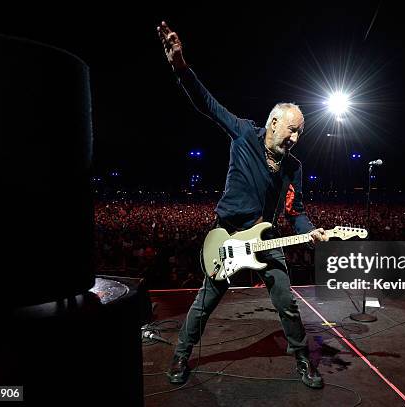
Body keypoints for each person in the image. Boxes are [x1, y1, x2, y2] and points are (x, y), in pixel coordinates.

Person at [157, 21, 328, 389]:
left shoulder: (293, 168)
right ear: (273, 123)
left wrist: (308, 231)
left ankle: (302, 360)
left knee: (287, 302)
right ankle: (181, 355)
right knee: (205, 303)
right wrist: (180, 66)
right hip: (228, 236)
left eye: (301, 132)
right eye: (292, 129)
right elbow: (206, 103)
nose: (296, 138)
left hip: (266, 239)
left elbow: (295, 212)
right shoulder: (243, 132)